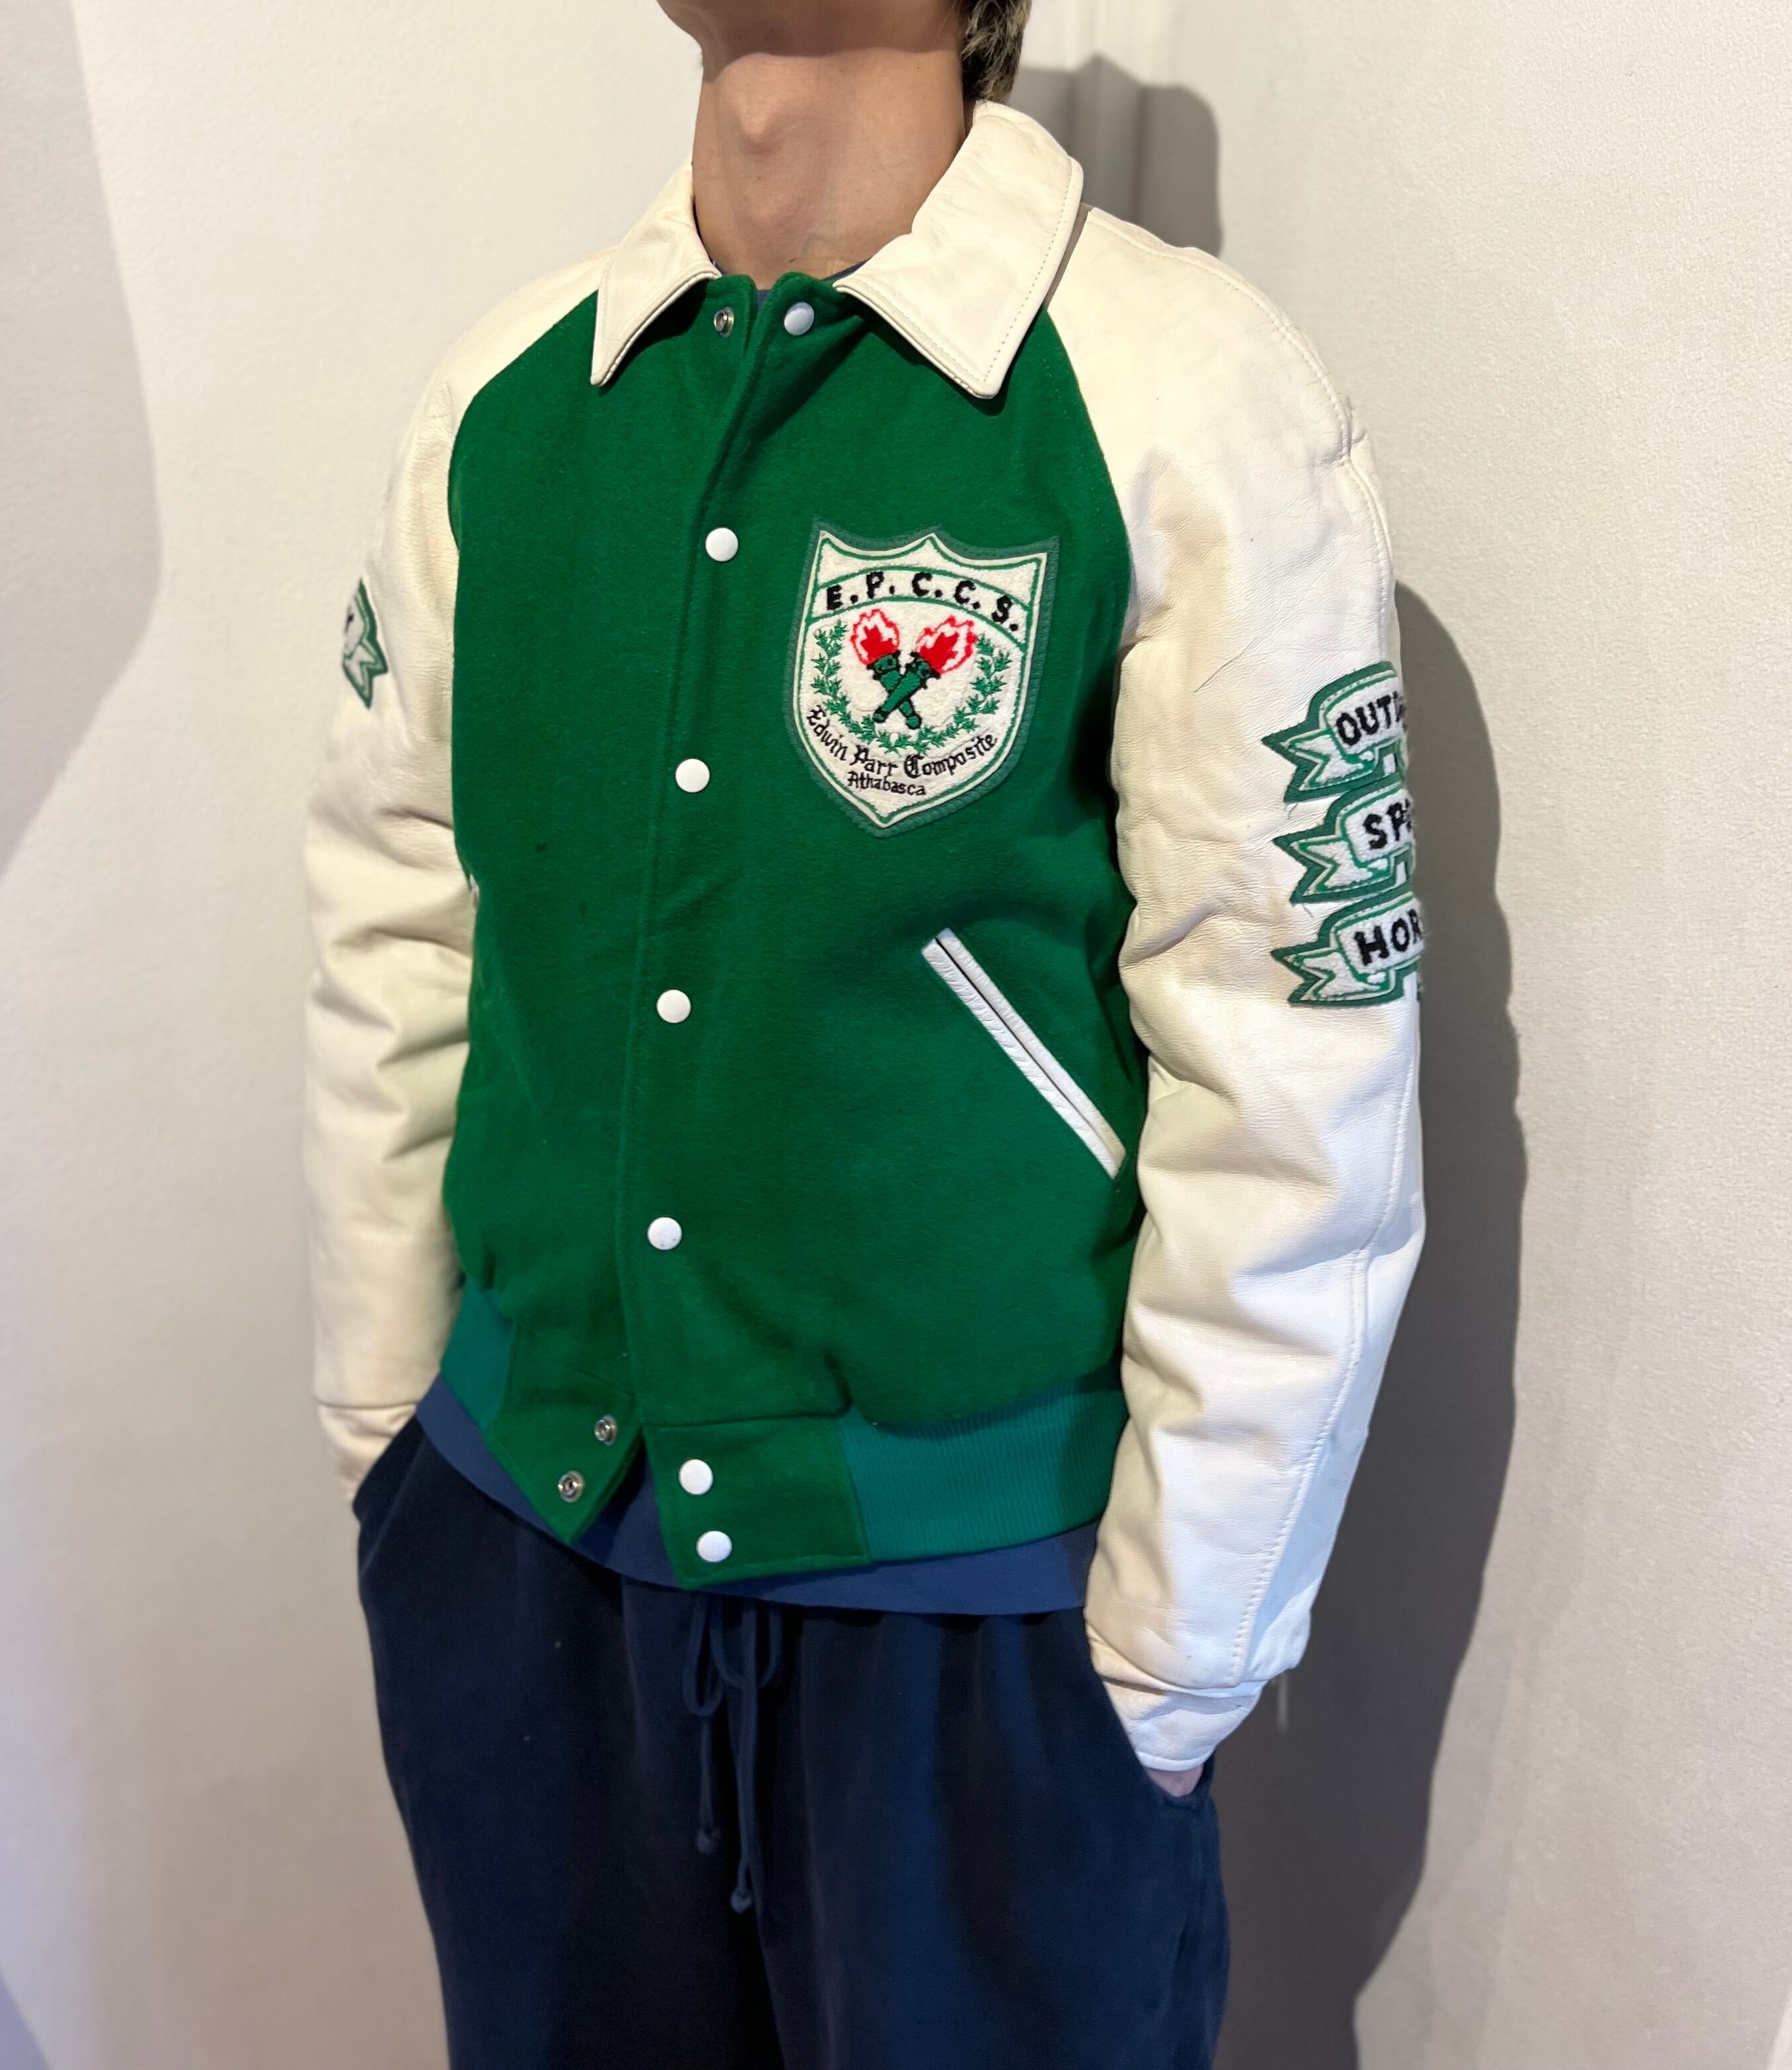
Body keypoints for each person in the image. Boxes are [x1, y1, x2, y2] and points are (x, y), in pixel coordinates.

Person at [304, 1, 1424, 2063]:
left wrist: (1171, 1655)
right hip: (529, 1567)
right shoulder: (504, 402)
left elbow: (1299, 1047)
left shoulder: (1182, 398)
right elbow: (400, 930)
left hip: (977, 1626)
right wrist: (394, 1446)